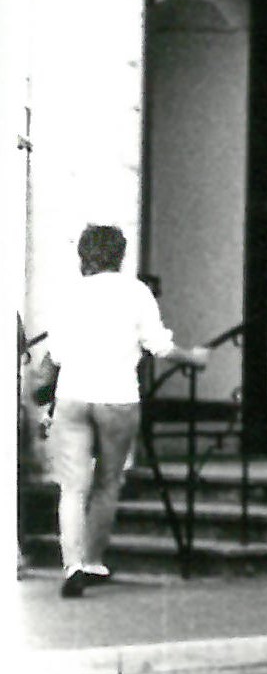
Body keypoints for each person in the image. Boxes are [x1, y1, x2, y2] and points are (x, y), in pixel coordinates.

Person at [41, 224, 206, 597]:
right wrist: (193, 358)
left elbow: (57, 353)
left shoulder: (69, 294)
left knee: (72, 487)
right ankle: (95, 560)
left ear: (83, 255)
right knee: (108, 481)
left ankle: (72, 566)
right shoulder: (135, 292)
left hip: (73, 394)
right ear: (120, 253)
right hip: (118, 396)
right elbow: (159, 346)